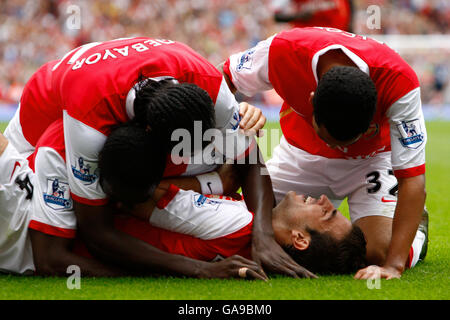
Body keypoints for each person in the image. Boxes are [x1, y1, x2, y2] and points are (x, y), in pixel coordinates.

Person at [4, 36, 314, 278]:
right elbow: (94, 230)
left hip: (112, 83)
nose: (200, 154)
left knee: (156, 173)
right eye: (179, 151)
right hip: (44, 112)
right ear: (149, 131)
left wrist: (263, 234)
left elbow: (249, 159)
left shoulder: (208, 84)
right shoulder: (86, 125)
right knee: (75, 198)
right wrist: (196, 270)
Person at [0, 123, 365, 278]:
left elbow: (141, 197)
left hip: (31, 217)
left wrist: (215, 172)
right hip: (39, 224)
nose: (321, 199)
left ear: (299, 240)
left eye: (327, 212)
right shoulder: (244, 222)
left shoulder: (237, 224)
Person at [219, 27, 429, 279]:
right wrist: (238, 111)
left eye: (347, 140)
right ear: (312, 100)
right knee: (251, 227)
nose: (338, 149)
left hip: (371, 161)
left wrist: (393, 266)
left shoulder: (399, 82)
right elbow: (220, 78)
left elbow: (413, 178)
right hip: (301, 155)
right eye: (328, 137)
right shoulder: (282, 50)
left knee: (379, 252)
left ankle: (419, 229)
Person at [272, 0, 353, 32]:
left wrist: (350, 30)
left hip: (337, 36)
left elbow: (350, 7)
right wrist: (298, 16)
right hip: (308, 39)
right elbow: (276, 16)